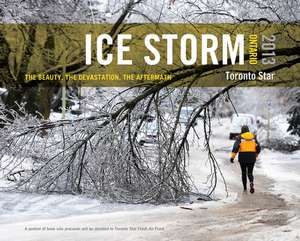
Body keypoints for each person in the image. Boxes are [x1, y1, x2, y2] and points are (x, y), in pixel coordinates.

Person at [230, 125, 261, 193]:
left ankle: (245, 188)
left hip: (243, 157)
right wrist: (256, 155)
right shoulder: (253, 137)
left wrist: (232, 157)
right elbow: (258, 147)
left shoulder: (240, 137)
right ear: (248, 130)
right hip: (252, 156)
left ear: (242, 130)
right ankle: (251, 182)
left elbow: (235, 148)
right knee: (250, 173)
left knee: (244, 173)